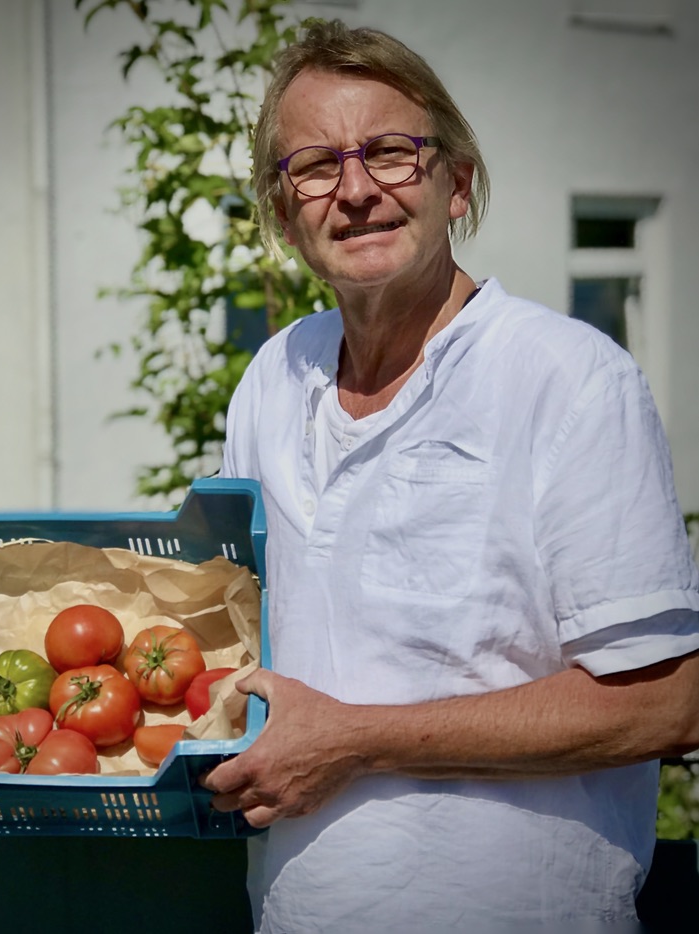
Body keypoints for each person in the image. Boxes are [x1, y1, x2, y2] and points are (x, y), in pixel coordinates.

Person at [201, 18, 699, 932]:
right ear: (282, 213)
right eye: (314, 167)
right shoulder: (273, 376)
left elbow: (666, 701)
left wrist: (355, 743)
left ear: (455, 182)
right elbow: (232, 624)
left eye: (390, 153)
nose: (354, 191)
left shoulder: (567, 379)